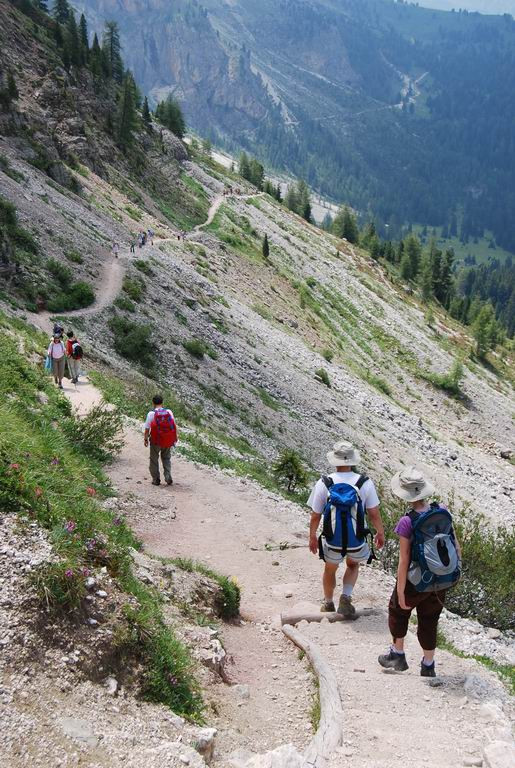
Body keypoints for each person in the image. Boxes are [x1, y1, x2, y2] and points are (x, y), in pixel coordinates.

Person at [378, 467, 461, 678]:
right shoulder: (442, 511)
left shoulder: (407, 521)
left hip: (417, 579)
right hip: (441, 578)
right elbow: (456, 546)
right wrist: (454, 571)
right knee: (430, 619)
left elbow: (404, 559)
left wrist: (401, 590)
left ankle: (397, 654)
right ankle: (428, 665)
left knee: (398, 610)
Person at [308, 440, 384, 617]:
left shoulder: (324, 482)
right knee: (353, 564)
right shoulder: (364, 482)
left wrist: (312, 536)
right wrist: (380, 532)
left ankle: (328, 603)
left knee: (330, 568)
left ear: (335, 461)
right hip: (356, 539)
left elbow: (315, 514)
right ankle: (346, 597)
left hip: (332, 538)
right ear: (352, 461)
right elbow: (373, 513)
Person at [143, 395, 178, 486]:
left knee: (154, 459)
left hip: (156, 440)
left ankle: (156, 479)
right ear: (162, 402)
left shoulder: (151, 414)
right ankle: (167, 476)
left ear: (153, 403)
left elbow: (147, 429)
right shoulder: (169, 411)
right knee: (166, 458)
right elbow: (174, 425)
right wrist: (175, 437)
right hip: (167, 440)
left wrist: (146, 439)